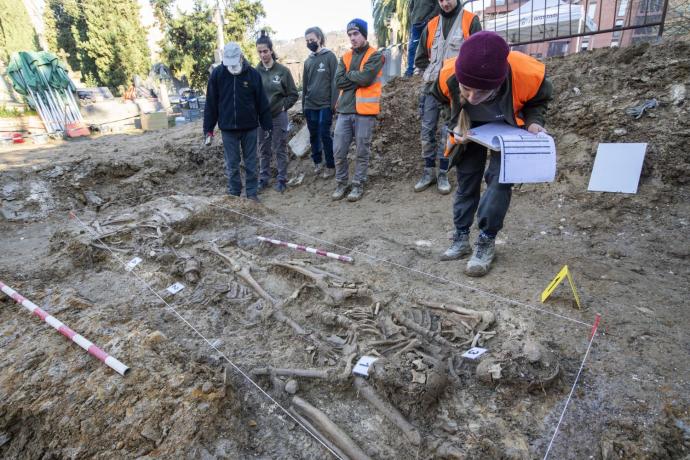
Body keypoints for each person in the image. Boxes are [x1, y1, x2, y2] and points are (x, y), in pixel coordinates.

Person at [438, 31, 553, 277]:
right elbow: (442, 103)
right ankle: (460, 237)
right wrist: (455, 125)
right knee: (467, 181)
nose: (472, 97)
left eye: (482, 92)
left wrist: (534, 121)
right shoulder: (448, 75)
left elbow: (539, 101)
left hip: (508, 131)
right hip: (471, 130)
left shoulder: (528, 74)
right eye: (467, 89)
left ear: (500, 81)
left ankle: (486, 241)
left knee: (499, 183)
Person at [413, 0, 481, 195]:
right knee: (426, 131)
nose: (445, 3)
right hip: (431, 87)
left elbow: (477, 56)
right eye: (441, 0)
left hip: (456, 89)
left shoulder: (470, 20)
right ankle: (428, 172)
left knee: (449, 132)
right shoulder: (432, 24)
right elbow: (420, 58)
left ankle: (443, 173)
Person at [203, 42, 272, 201]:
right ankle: (234, 194)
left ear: (241, 56)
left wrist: (267, 124)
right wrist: (208, 129)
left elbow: (262, 102)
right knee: (232, 164)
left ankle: (252, 194)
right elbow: (211, 104)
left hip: (249, 127)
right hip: (228, 128)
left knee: (251, 163)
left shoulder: (252, 74)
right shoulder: (218, 74)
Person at [332, 19, 384, 202]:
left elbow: (367, 78)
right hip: (345, 110)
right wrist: (357, 77)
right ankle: (341, 183)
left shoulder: (375, 55)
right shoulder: (345, 57)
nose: (352, 38)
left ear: (364, 34)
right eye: (350, 35)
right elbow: (338, 81)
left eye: (356, 34)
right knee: (338, 150)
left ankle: (358, 184)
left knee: (362, 151)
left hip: (365, 111)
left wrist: (350, 76)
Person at [255, 31, 299, 194]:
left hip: (278, 116)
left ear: (271, 50)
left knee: (279, 147)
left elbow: (293, 94)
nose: (263, 54)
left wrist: (283, 107)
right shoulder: (255, 72)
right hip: (261, 117)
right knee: (263, 148)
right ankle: (263, 178)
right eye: (259, 52)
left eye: (265, 51)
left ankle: (282, 179)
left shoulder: (283, 71)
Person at [303, 26, 339, 179]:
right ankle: (317, 162)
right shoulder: (307, 61)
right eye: (307, 41)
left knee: (325, 133)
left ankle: (330, 165)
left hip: (325, 104)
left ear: (320, 38)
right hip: (310, 104)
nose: (310, 42)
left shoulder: (330, 56)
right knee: (313, 135)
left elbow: (335, 82)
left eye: (312, 39)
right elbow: (305, 85)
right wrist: (304, 104)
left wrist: (333, 104)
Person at [405, 0, 439, 77]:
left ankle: (429, 69)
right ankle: (410, 70)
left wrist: (429, 18)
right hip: (415, 24)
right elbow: (411, 7)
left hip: (428, 23)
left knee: (430, 46)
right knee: (412, 47)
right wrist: (413, 18)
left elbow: (438, 7)